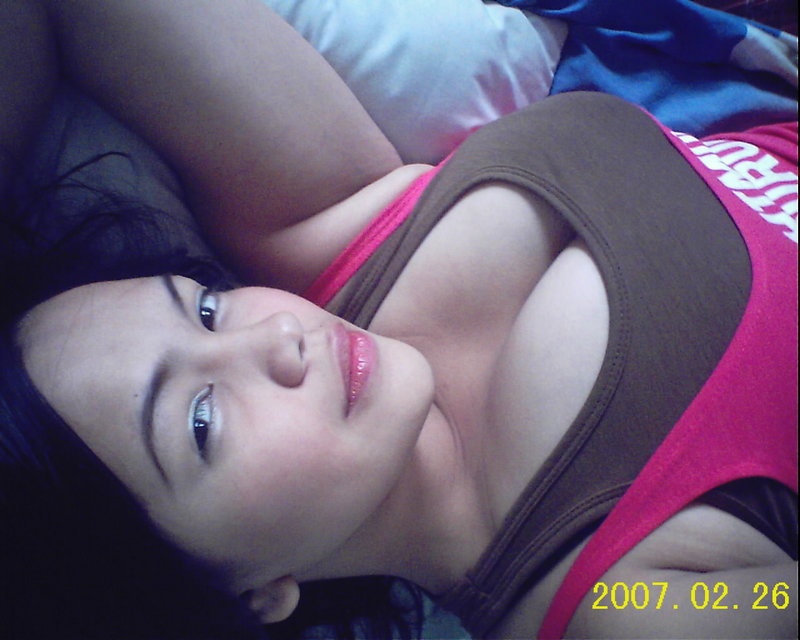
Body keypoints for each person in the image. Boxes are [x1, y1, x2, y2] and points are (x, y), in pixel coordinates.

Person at [2, 1, 797, 639]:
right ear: (249, 598)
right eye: (202, 421)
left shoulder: (331, 235)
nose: (276, 337)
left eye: (206, 310)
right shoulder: (629, 609)